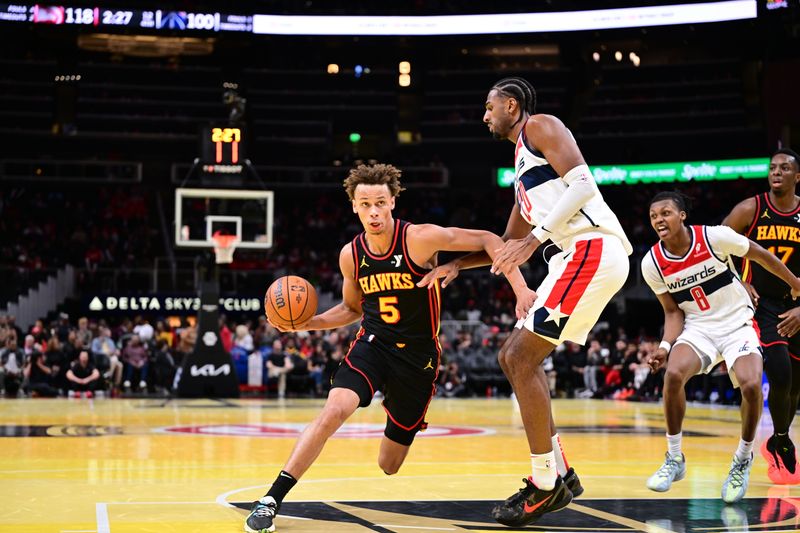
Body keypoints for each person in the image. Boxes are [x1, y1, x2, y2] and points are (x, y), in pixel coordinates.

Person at [244, 163, 533, 533]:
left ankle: (393, 413)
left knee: (389, 464)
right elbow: (351, 309)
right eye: (365, 204)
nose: (374, 211)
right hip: (373, 344)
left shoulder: (420, 239)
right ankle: (271, 500)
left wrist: (516, 287)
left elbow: (491, 240)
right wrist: (307, 323)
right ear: (354, 206)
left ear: (393, 201)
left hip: (417, 358)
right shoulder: (351, 254)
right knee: (334, 410)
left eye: (381, 202)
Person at [419, 77, 631, 527]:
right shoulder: (522, 168)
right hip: (572, 255)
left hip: (589, 247)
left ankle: (545, 483)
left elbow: (583, 185)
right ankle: (559, 472)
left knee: (517, 357)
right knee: (516, 358)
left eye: (489, 106)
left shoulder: (542, 126)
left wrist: (535, 241)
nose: (484, 115)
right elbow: (506, 240)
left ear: (512, 106)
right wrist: (457, 266)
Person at [642, 191, 800, 502]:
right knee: (673, 375)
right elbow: (673, 312)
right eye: (653, 216)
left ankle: (742, 459)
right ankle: (674, 459)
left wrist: (795, 282)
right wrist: (664, 345)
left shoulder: (715, 237)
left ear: (682, 215)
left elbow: (760, 254)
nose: (660, 219)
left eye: (666, 213)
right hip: (699, 328)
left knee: (753, 385)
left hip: (737, 323)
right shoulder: (652, 263)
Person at [722, 148, 800, 484]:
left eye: (785, 168)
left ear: (798, 176)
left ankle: (779, 438)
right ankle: (779, 439)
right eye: (772, 168)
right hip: (763, 303)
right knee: (780, 370)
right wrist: (740, 282)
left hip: (797, 302)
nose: (776, 172)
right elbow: (715, 246)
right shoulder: (751, 209)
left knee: (795, 383)